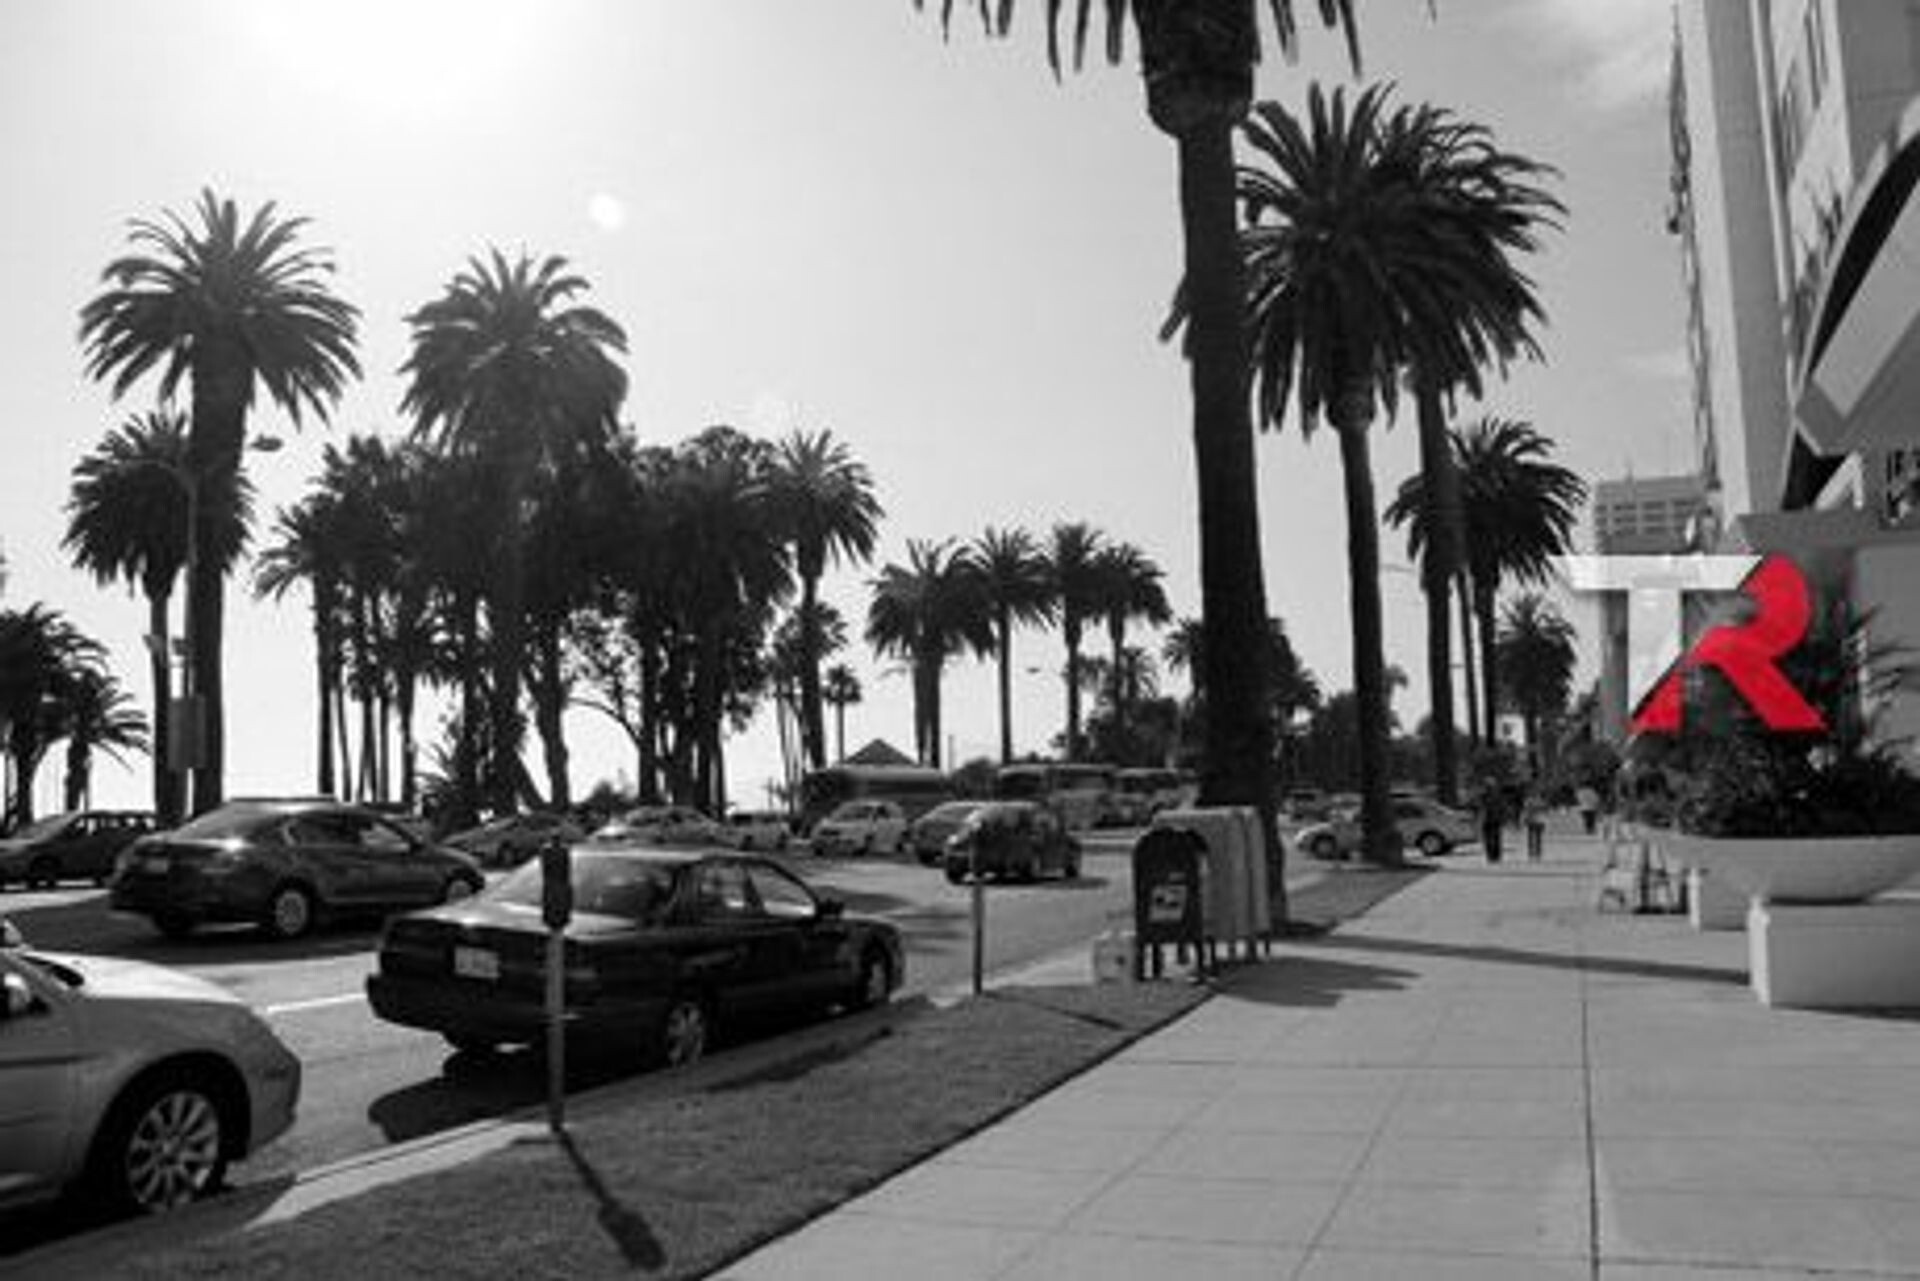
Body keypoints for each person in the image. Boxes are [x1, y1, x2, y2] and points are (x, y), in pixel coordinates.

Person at [1477, 784, 1506, 864]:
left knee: (1490, 838)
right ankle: (1495, 856)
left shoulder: (1484, 798)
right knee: (1495, 838)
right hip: (1493, 820)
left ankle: (1491, 856)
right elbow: (1502, 808)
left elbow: (1481, 809)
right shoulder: (1496, 798)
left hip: (1489, 820)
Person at [1522, 790, 1548, 862]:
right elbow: (1545, 811)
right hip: (1535, 821)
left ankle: (1534, 852)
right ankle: (1535, 852)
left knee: (1534, 837)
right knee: (1534, 837)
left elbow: (1526, 810)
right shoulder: (1541, 802)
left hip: (1535, 821)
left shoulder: (1530, 801)